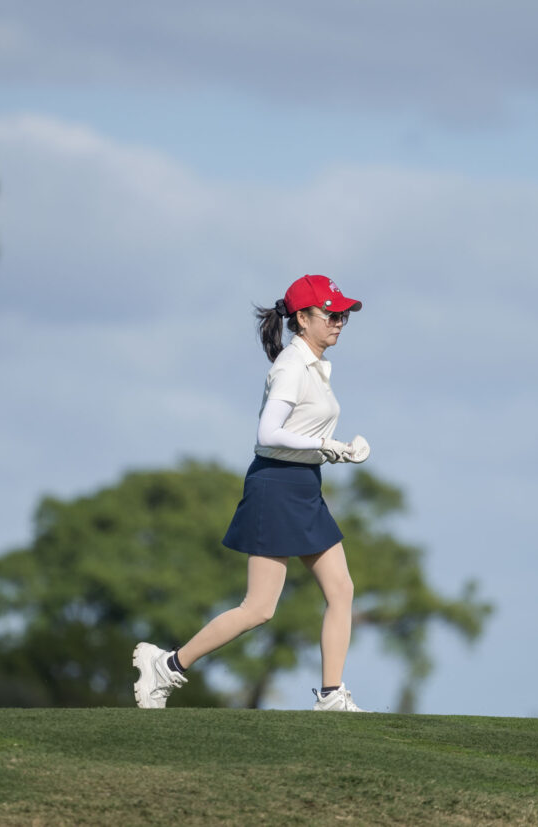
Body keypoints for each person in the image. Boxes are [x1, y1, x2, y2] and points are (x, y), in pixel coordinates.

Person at [133, 274, 370, 712]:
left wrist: (330, 452)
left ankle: (332, 695)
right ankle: (167, 665)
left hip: (303, 485)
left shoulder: (314, 366)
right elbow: (267, 433)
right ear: (303, 319)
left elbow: (295, 434)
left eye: (343, 316)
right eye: (331, 314)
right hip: (275, 487)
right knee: (259, 608)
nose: (339, 322)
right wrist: (326, 445)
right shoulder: (291, 367)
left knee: (341, 589)